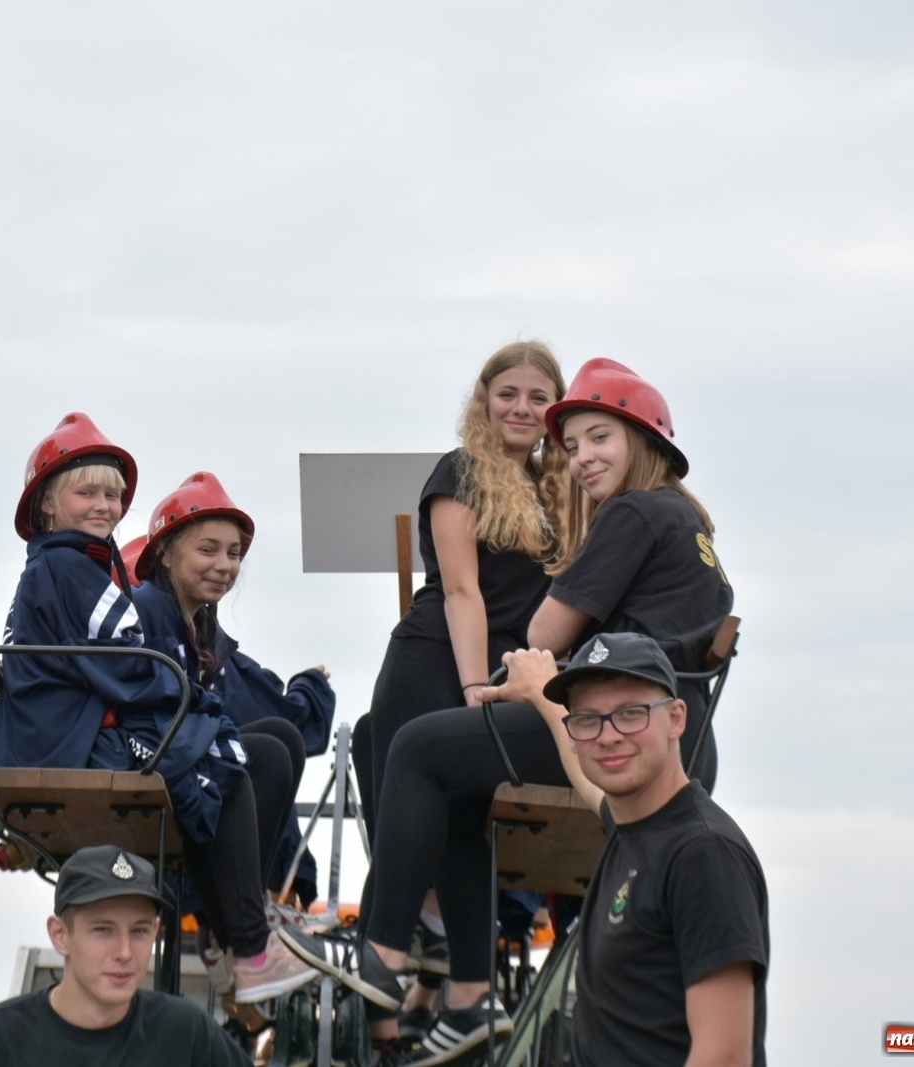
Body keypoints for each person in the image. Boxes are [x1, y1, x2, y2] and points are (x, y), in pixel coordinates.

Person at [286, 359, 734, 1064]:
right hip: (674, 730)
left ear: (644, 442)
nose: (582, 458)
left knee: (416, 748)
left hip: (620, 723)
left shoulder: (633, 512)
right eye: (574, 445)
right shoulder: (685, 519)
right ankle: (465, 989)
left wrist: (515, 673)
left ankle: (384, 951)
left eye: (599, 439)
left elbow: (546, 632)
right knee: (436, 760)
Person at [0, 413, 327, 1004]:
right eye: (87, 492)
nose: (105, 506)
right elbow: (128, 668)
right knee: (223, 756)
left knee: (246, 746)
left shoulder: (71, 565)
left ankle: (236, 935)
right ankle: (246, 944)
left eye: (114, 495)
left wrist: (197, 708)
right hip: (70, 744)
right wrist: (198, 705)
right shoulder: (71, 567)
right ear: (47, 505)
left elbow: (121, 668)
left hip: (65, 733)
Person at [352, 341, 568, 1032]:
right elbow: (463, 592)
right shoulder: (460, 473)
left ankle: (470, 994)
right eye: (508, 394)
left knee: (468, 822)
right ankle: (383, 967)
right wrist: (476, 685)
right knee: (420, 805)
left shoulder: (559, 489)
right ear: (485, 400)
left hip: (503, 670)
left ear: (556, 410)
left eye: (538, 397)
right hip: (436, 657)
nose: (522, 408)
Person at [496, 635, 768, 1066]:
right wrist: (541, 692)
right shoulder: (633, 827)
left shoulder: (702, 854)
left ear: (676, 719)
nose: (608, 737)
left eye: (630, 714)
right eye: (588, 720)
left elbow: (725, 1057)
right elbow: (586, 776)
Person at [128, 473, 337, 910]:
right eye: (208, 550)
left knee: (278, 737)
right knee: (269, 750)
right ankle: (240, 919)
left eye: (234, 553)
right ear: (164, 553)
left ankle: (242, 913)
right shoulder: (151, 610)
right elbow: (156, 713)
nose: (225, 565)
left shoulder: (197, 628)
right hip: (145, 759)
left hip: (171, 755)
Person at [0, 844, 253, 1067]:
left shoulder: (187, 1035)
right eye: (103, 930)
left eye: (139, 931)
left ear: (156, 930)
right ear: (60, 935)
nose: (125, 952)